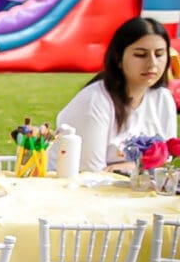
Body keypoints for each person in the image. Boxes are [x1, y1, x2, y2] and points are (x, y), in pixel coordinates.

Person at [55, 17, 177, 173]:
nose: (152, 64)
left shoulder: (163, 98)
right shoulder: (95, 101)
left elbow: (167, 162)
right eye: (140, 55)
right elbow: (90, 174)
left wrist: (133, 167)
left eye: (159, 54)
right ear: (118, 59)